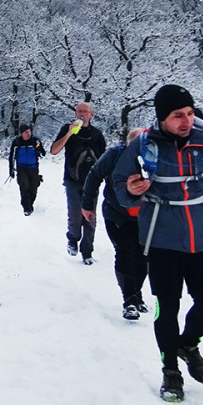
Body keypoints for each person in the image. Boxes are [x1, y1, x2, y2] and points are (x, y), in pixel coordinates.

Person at [112, 84, 203, 403]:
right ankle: (170, 371)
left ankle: (187, 345)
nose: (186, 120)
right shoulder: (143, 146)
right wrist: (131, 190)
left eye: (189, 113)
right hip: (162, 241)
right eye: (178, 115)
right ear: (162, 118)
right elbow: (120, 185)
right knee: (167, 309)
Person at [81, 128, 149, 320]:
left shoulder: (156, 157)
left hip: (146, 216)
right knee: (125, 251)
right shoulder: (114, 154)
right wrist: (87, 205)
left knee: (144, 257)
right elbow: (94, 176)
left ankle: (137, 293)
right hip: (116, 213)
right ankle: (129, 301)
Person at [50, 101, 106, 264]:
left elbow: (104, 159)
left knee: (90, 216)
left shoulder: (97, 134)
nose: (82, 113)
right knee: (75, 215)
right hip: (72, 180)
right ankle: (73, 239)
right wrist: (68, 133)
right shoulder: (67, 130)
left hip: (92, 181)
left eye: (85, 111)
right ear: (75, 114)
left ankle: (87, 251)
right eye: (79, 111)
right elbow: (54, 151)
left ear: (91, 115)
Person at [7, 124, 46, 215]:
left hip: (33, 168)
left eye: (29, 131)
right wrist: (11, 169)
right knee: (24, 187)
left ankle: (30, 204)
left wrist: (38, 148)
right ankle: (26, 208)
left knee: (33, 189)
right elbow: (11, 156)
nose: (28, 133)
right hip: (21, 168)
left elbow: (43, 153)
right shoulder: (17, 142)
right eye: (26, 132)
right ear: (22, 133)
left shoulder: (35, 141)